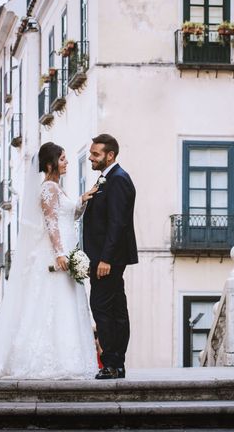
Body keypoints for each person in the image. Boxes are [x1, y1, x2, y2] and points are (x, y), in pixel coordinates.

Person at [0, 142, 98, 379]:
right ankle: (48, 360)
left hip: (66, 252)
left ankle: (69, 359)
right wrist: (60, 254)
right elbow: (51, 223)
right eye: (62, 159)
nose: (67, 162)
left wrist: (83, 199)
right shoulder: (49, 188)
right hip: (54, 256)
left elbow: (70, 214)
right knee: (51, 302)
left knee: (66, 303)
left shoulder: (58, 189)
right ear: (50, 164)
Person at [83, 134, 138, 380]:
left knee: (103, 308)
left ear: (110, 155)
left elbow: (117, 223)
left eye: (95, 154)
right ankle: (116, 364)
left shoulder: (118, 180)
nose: (91, 157)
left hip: (108, 260)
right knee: (115, 309)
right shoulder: (109, 179)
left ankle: (112, 363)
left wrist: (105, 259)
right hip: (107, 257)